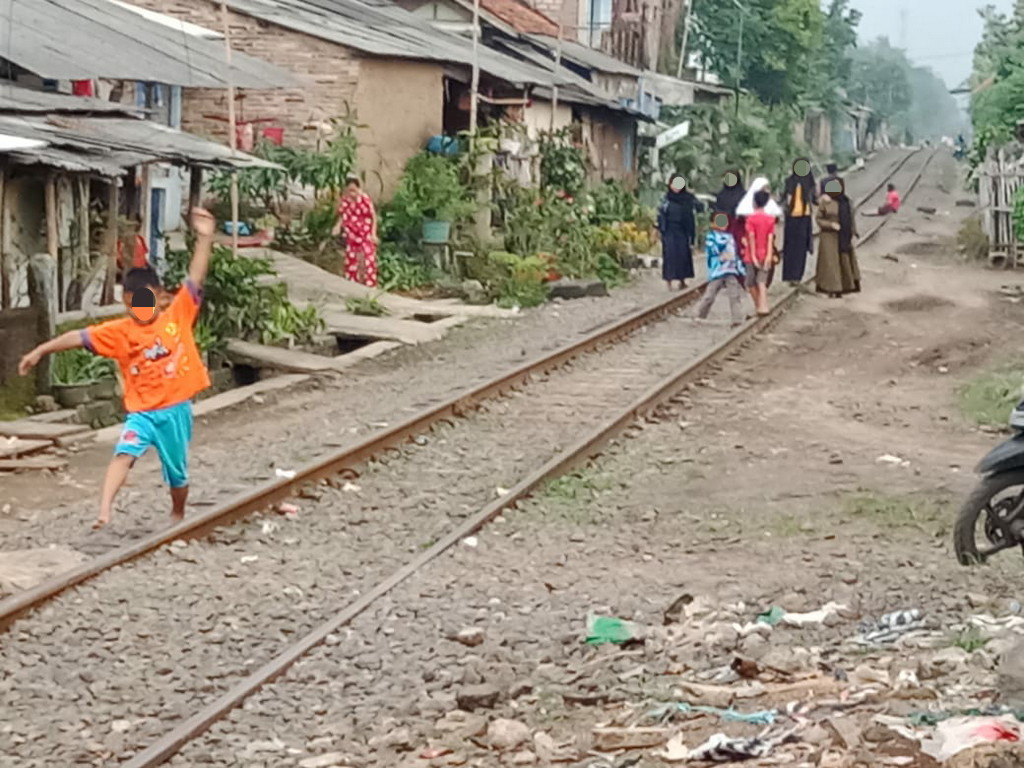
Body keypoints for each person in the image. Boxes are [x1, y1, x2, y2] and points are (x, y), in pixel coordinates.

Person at [18, 208, 216, 529]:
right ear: (125, 302)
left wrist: (205, 237)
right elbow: (78, 336)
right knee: (123, 454)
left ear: (160, 298)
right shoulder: (120, 332)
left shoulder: (176, 316)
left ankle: (178, 511)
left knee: (176, 473)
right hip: (142, 413)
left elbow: (194, 277)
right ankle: (105, 510)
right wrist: (40, 350)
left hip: (175, 410)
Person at [696, 211, 746, 326]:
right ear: (713, 223)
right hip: (717, 271)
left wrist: (740, 267)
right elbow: (713, 250)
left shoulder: (730, 237)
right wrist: (722, 251)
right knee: (710, 295)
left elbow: (734, 252)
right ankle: (700, 314)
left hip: (730, 270)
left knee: (734, 295)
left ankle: (737, 319)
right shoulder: (711, 237)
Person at [657, 174, 704, 290]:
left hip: (683, 230)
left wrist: (693, 198)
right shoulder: (666, 199)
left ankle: (682, 280)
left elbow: (700, 208)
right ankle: (669, 282)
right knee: (669, 255)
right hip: (669, 230)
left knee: (683, 255)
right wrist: (660, 228)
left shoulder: (688, 198)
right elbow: (660, 214)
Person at [816, 178, 860, 298]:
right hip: (829, 238)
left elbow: (851, 217)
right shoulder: (825, 202)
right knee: (831, 264)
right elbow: (818, 219)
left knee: (844, 261)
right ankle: (832, 289)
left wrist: (853, 230)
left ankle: (845, 287)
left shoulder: (846, 201)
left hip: (844, 236)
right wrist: (830, 225)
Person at [332, 175, 379, 288]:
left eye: (354, 190)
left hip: (365, 234)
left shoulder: (364, 199)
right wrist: (337, 227)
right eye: (349, 191)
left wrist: (373, 234)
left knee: (367, 260)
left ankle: (368, 286)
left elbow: (373, 216)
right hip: (352, 236)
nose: (352, 193)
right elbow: (343, 215)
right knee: (352, 261)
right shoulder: (346, 201)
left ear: (358, 189)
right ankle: (353, 286)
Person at [782, 158, 816, 285]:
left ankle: (795, 276)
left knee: (798, 248)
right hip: (796, 218)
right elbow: (787, 198)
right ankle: (793, 276)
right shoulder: (794, 181)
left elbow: (814, 198)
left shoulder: (805, 181)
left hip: (801, 218)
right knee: (795, 248)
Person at [743, 190, 777, 316]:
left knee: (750, 282)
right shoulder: (770, 219)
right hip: (765, 253)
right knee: (762, 281)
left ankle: (758, 305)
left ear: (754, 202)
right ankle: (764, 306)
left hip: (751, 255)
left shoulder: (750, 219)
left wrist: (753, 256)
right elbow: (770, 238)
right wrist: (769, 255)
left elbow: (751, 237)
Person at [715, 169, 747, 264]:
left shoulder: (743, 194)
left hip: (739, 226)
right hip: (724, 227)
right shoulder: (721, 195)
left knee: (739, 249)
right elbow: (717, 210)